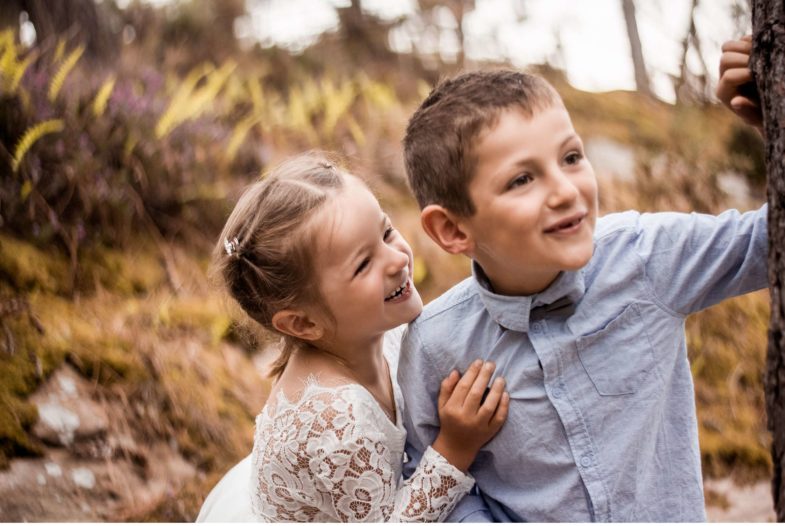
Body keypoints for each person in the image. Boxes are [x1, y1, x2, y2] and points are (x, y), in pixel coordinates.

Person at [397, 36, 765, 522]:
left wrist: (772, 123)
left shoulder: (645, 255)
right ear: (452, 229)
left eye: (571, 157)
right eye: (522, 180)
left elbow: (767, 244)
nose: (566, 191)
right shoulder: (435, 344)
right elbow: (432, 478)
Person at [197, 152, 510, 522]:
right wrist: (455, 446)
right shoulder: (342, 421)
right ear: (302, 324)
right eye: (363, 264)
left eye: (386, 231)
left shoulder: (365, 333)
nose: (396, 259)